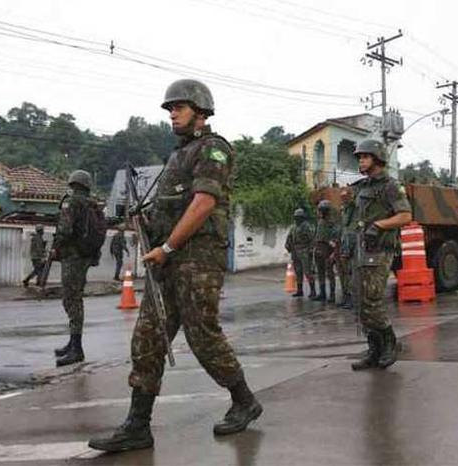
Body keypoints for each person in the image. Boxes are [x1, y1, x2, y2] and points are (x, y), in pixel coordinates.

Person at [89, 79, 262, 453]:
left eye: (178, 108)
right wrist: (146, 223)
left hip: (197, 260)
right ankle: (137, 426)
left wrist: (167, 245)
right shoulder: (176, 156)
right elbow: (170, 206)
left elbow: (203, 204)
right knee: (147, 340)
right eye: (169, 109)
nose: (172, 115)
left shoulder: (213, 150)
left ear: (200, 112)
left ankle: (244, 399)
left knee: (203, 336)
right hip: (166, 262)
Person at [348, 139, 412, 371]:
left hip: (379, 251)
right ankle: (374, 350)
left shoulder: (390, 186)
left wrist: (380, 225)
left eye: (365, 157)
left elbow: (405, 215)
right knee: (361, 303)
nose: (361, 161)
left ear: (376, 158)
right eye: (360, 157)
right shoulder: (363, 187)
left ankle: (390, 344)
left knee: (372, 301)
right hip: (361, 249)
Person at [51, 169, 100, 367]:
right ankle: (73, 343)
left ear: (73, 184)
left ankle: (76, 348)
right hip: (85, 256)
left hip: (73, 256)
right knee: (74, 297)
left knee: (71, 299)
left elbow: (65, 229)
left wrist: (56, 248)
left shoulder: (72, 202)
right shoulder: (92, 204)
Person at [284, 208, 316, 298]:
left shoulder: (306, 226)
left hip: (304, 249)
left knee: (307, 271)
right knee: (298, 271)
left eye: (298, 217)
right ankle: (299, 290)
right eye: (296, 217)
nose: (297, 219)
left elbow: (312, 239)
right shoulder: (294, 226)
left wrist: (310, 249)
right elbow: (289, 236)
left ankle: (313, 291)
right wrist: (287, 245)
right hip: (295, 250)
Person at [313, 200, 339, 303]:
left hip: (327, 248)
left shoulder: (332, 223)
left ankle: (332, 295)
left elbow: (335, 237)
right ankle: (322, 293)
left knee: (329, 273)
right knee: (320, 273)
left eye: (322, 210)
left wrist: (333, 251)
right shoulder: (320, 222)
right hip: (319, 248)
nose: (320, 212)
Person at [336, 187, 355, 309]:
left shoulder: (353, 209)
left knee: (350, 274)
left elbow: (351, 235)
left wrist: (346, 251)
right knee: (344, 275)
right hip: (344, 247)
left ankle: (351, 299)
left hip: (350, 250)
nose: (343, 199)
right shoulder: (344, 211)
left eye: (345, 197)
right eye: (342, 197)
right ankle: (346, 297)